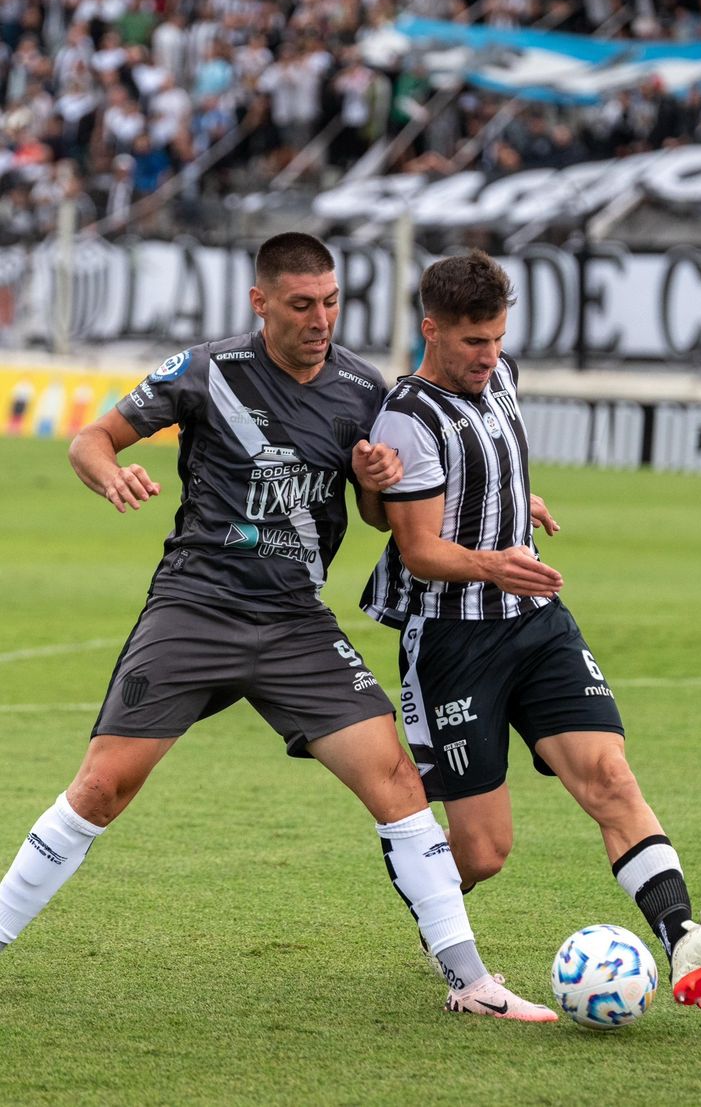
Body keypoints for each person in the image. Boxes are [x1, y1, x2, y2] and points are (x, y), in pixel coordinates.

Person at [0, 232, 557, 1022]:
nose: (320, 319)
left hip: (296, 622)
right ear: (260, 302)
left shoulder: (363, 388)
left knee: (398, 783)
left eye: (331, 302)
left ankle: (470, 981)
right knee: (102, 787)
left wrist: (376, 481)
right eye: (301, 304)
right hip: (196, 609)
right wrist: (110, 473)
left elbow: (384, 515)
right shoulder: (208, 370)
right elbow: (92, 439)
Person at [361, 248, 701, 1009]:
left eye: (497, 338)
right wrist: (495, 561)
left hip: (537, 623)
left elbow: (486, 460)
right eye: (473, 341)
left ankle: (682, 938)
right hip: (453, 642)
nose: (489, 356)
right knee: (484, 850)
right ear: (431, 329)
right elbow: (418, 550)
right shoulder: (406, 419)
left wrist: (514, 500)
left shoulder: (500, 376)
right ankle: (438, 904)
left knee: (609, 776)